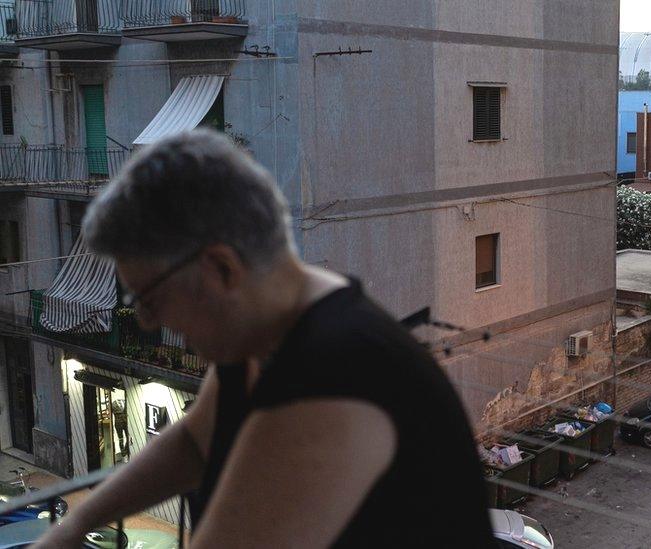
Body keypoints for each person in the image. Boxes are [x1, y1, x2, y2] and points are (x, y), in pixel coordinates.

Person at [34, 130, 495, 548]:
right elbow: (192, 445)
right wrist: (74, 526)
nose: (149, 324)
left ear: (220, 269)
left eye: (149, 300)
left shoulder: (331, 373)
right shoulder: (271, 327)